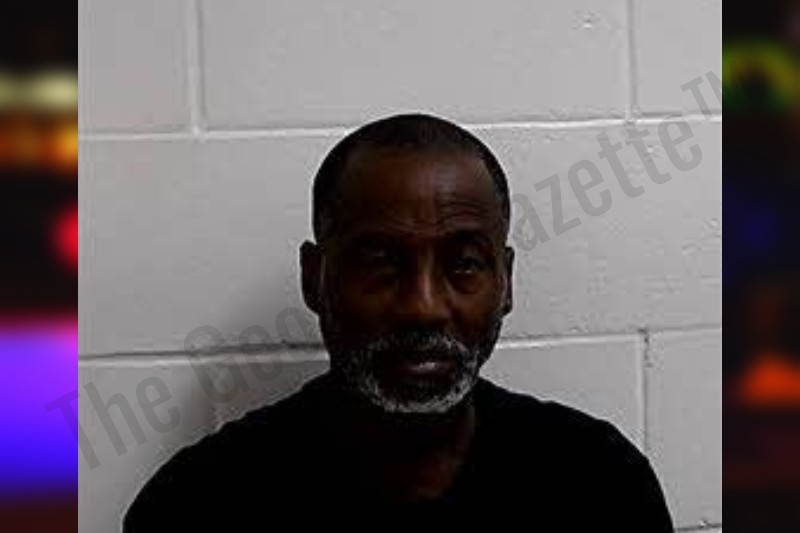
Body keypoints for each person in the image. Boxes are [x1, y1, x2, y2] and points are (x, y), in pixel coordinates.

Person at [123, 114, 674, 530]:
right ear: (315, 279)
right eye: (380, 264)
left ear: (506, 282)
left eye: (463, 264)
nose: (423, 306)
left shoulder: (600, 483)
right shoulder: (198, 504)